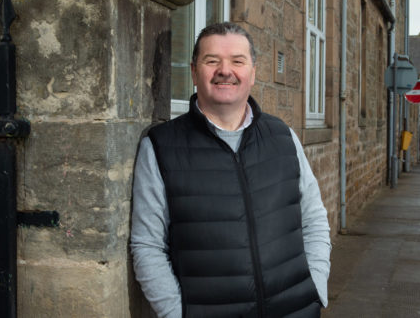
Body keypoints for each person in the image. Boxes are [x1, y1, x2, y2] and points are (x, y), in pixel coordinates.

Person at [131, 22, 331, 318]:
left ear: (253, 72)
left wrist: (316, 289)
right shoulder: (160, 147)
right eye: (212, 61)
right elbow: (147, 245)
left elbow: (314, 219)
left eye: (238, 61)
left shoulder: (283, 136)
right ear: (194, 71)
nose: (225, 70)